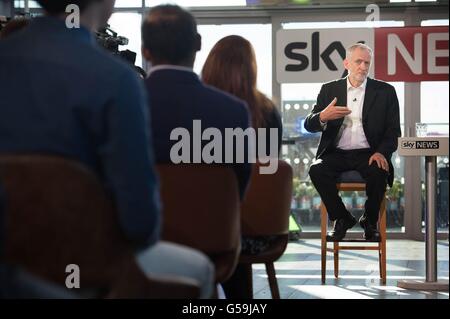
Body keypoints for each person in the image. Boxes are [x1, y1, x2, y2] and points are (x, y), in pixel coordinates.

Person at [0, 0, 213, 298]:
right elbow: (140, 223)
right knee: (200, 269)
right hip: (89, 266)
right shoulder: (116, 80)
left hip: (9, 263)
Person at [141, 5, 252, 200]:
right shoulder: (234, 112)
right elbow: (237, 192)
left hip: (138, 229)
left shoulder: (120, 104)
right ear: (198, 43)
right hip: (213, 227)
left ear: (145, 51)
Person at [201, 35, 282, 298]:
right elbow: (267, 172)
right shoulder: (267, 112)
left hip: (206, 229)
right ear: (252, 68)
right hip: (259, 231)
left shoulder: (198, 111)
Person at [305, 43, 401, 241]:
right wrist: (323, 116)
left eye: (367, 63)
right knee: (316, 169)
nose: (363, 67)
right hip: (336, 153)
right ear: (346, 63)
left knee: (379, 169)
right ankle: (342, 218)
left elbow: (393, 131)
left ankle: (370, 221)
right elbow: (309, 124)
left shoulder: (386, 91)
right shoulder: (329, 89)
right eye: (358, 62)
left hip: (369, 152)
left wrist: (382, 152)